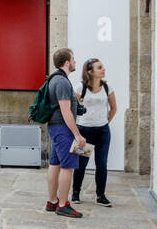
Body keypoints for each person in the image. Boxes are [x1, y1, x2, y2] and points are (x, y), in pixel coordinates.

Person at [44, 48, 86, 219]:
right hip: (63, 129)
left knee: (55, 164)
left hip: (56, 128)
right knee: (67, 167)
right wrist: (77, 134)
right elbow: (66, 111)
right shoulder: (62, 82)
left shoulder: (55, 79)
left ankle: (52, 201)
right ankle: (63, 205)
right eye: (73, 60)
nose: (75, 62)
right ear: (67, 62)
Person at [72, 58, 116, 207]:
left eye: (102, 67)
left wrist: (104, 122)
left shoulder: (107, 87)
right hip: (84, 130)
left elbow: (113, 108)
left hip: (103, 131)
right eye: (99, 68)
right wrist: (76, 130)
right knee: (81, 163)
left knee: (102, 164)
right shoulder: (80, 88)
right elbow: (72, 109)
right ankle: (76, 193)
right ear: (90, 72)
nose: (103, 69)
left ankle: (101, 195)